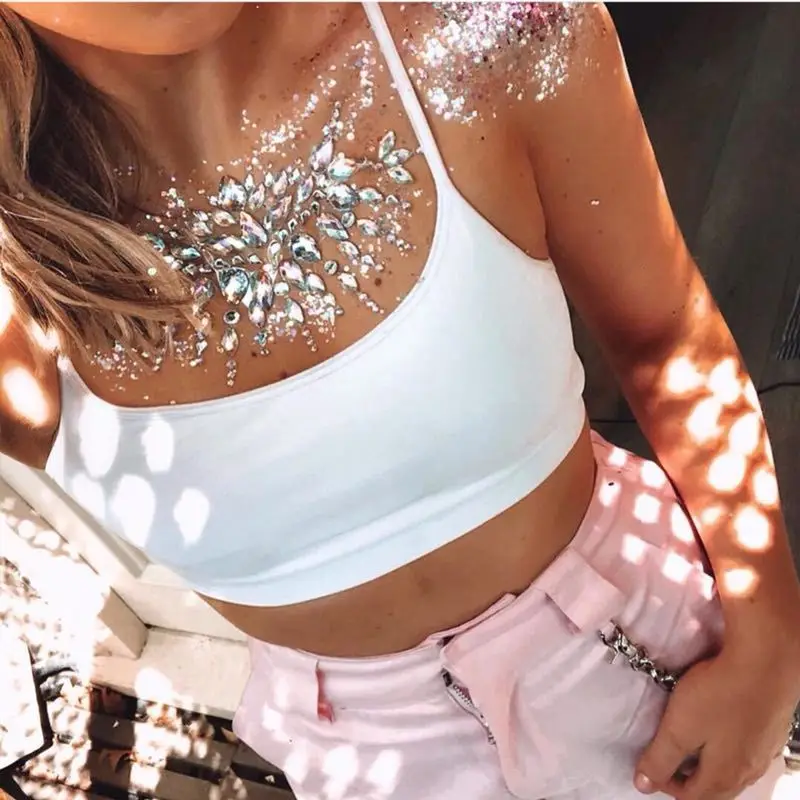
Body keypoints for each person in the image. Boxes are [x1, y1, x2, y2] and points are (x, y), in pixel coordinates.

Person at [0, 2, 797, 798]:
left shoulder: (483, 28)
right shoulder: (15, 284)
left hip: (659, 662)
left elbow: (666, 336)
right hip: (368, 762)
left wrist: (771, 633)